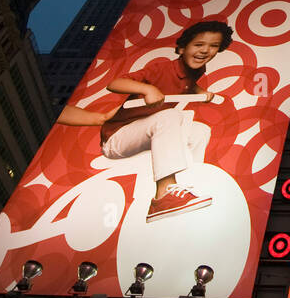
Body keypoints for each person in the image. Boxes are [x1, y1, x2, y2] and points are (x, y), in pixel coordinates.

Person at [70, 20, 233, 222]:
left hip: (146, 132)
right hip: (118, 137)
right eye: (199, 45)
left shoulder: (196, 70)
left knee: (200, 131)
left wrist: (202, 92)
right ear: (182, 48)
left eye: (213, 46)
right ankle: (163, 196)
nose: (205, 51)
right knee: (171, 116)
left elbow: (189, 85)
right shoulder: (162, 69)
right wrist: (148, 89)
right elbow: (115, 83)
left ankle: (185, 185)